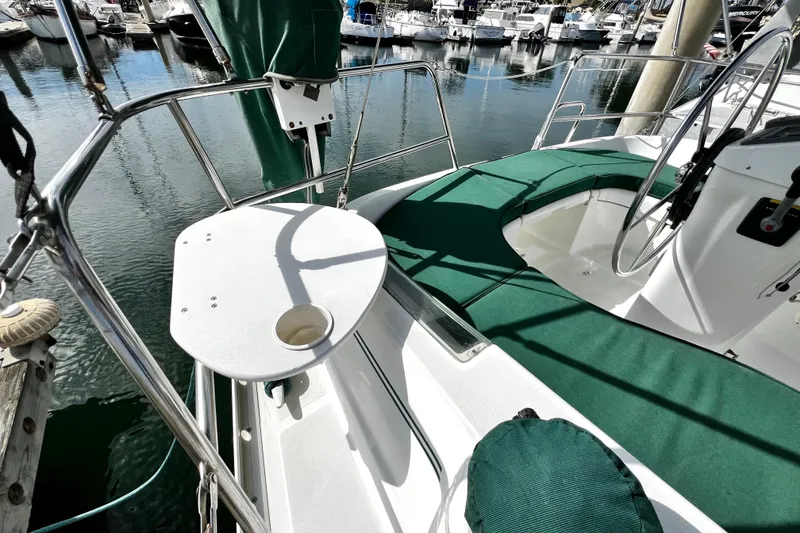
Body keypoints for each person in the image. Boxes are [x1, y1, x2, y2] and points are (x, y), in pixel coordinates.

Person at [0, 90, 37, 218]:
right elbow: (21, 130)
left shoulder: (5, 113)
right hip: (14, 157)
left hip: (8, 160)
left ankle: (22, 207)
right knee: (25, 179)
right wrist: (30, 142)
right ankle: (31, 204)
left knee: (21, 180)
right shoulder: (5, 113)